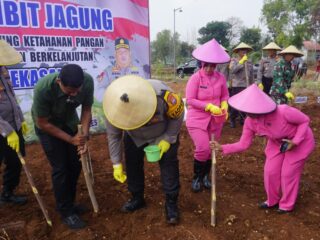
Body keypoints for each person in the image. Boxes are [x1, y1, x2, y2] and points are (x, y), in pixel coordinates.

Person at [211, 84, 315, 213]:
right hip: (277, 143)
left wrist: (295, 141)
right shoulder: (250, 122)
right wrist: (221, 147)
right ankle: (272, 200)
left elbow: (305, 120)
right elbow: (243, 144)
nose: (247, 112)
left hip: (299, 141)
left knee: (288, 173)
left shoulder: (283, 111)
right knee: (270, 171)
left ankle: (286, 205)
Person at [103, 75, 184, 225]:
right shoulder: (112, 106)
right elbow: (114, 136)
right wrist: (116, 163)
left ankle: (171, 203)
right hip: (135, 137)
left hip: (162, 133)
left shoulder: (162, 94)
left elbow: (178, 115)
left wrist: (168, 138)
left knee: (169, 165)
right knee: (133, 164)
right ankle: (137, 198)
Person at [31, 64, 94, 229]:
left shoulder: (87, 81)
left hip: (69, 121)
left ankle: (70, 204)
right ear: (59, 81)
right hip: (48, 126)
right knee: (61, 168)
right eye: (69, 91)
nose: (74, 95)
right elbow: (43, 123)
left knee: (75, 164)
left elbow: (86, 110)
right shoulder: (43, 89)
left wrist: (84, 137)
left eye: (77, 91)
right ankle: (65, 212)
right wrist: (70, 139)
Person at [185, 38, 230, 192]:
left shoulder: (221, 78)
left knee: (211, 149)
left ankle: (205, 176)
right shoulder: (195, 78)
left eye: (213, 65)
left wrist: (224, 105)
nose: (210, 68)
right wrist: (208, 106)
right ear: (202, 64)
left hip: (216, 120)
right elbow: (190, 100)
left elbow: (225, 95)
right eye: (207, 65)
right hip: (197, 118)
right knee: (203, 148)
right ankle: (197, 177)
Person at [0, 40, 28, 205]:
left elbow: (11, 97)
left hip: (13, 125)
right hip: (3, 129)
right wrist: (7, 131)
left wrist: (20, 120)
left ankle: (7, 193)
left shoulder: (3, 69)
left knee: (16, 160)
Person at [95, 37, 145, 102]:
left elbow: (145, 88)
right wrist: (113, 96)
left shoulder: (139, 70)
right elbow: (99, 90)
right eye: (120, 52)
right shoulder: (108, 71)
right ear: (115, 54)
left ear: (130, 53)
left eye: (125, 52)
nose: (123, 55)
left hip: (135, 104)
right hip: (115, 106)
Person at [229, 42, 254, 128]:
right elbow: (232, 70)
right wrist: (241, 63)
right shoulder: (233, 60)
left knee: (245, 104)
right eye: (242, 50)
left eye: (245, 51)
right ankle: (232, 119)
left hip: (246, 86)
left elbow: (251, 75)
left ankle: (242, 119)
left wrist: (253, 85)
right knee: (235, 104)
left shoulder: (249, 61)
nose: (244, 52)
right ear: (238, 52)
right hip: (237, 85)